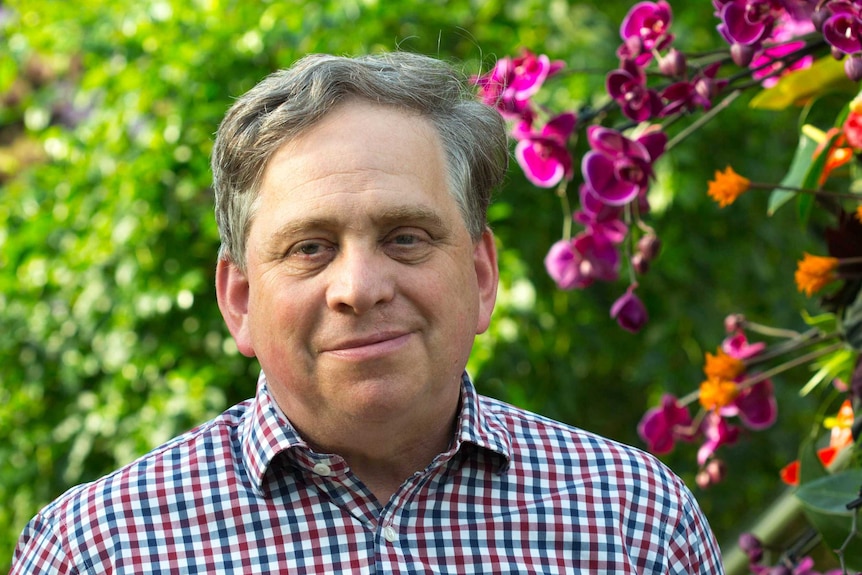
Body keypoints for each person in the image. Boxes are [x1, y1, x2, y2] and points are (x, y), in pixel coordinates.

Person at [11, 51, 724, 573]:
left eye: (405, 237)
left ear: (480, 275)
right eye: (311, 247)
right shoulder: (98, 548)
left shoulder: (635, 523)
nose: (360, 285)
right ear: (240, 300)